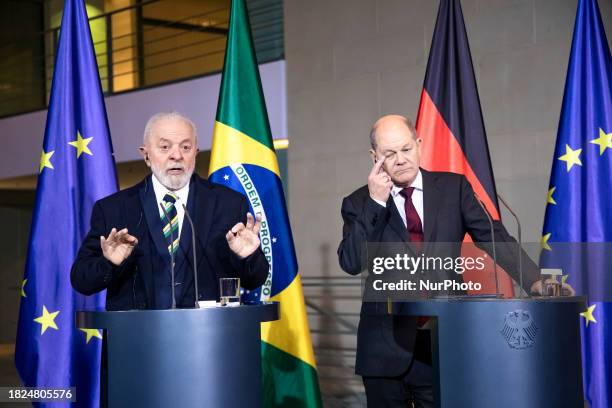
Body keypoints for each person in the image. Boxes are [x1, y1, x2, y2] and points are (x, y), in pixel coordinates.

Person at [337, 114, 571, 407]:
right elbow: (350, 261)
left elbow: (494, 238)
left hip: (443, 340)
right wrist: (376, 202)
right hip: (385, 347)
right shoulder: (359, 202)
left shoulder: (453, 188)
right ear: (374, 157)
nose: (400, 160)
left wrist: (535, 280)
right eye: (389, 154)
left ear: (419, 144)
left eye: (406, 149)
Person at [71, 111, 268, 310]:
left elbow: (254, 280)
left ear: (196, 153)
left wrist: (248, 256)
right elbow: (81, 280)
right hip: (136, 337)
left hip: (208, 336)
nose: (177, 155)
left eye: (186, 147)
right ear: (146, 154)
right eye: (165, 147)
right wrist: (109, 263)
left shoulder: (228, 204)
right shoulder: (114, 208)